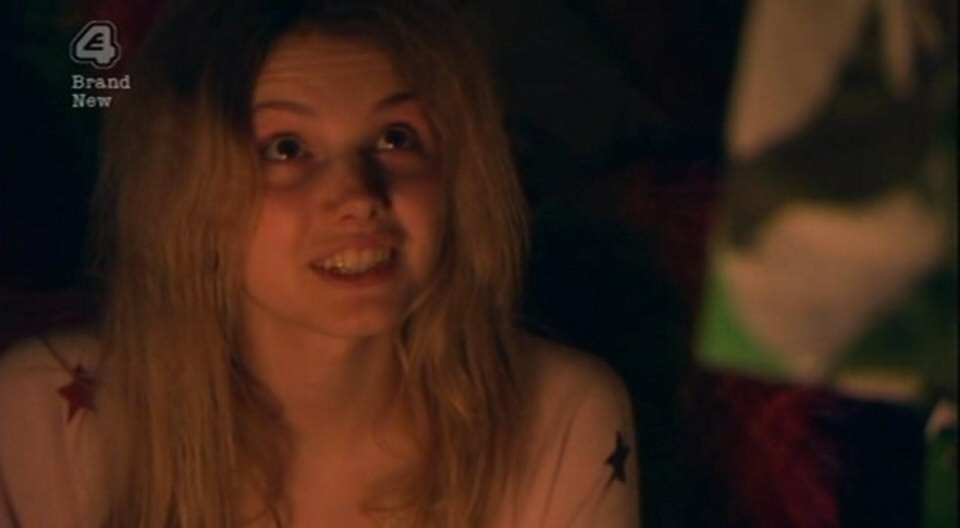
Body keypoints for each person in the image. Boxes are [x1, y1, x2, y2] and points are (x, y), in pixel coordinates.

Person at [0, 1, 639, 526]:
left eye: (395, 138)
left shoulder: (556, 414)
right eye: (286, 148)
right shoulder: (43, 413)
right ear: (185, 196)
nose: (359, 196)